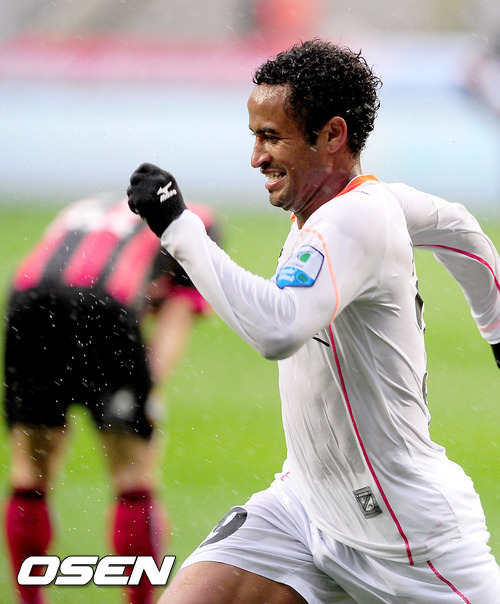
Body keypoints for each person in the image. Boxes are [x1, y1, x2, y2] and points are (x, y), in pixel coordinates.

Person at [127, 39, 500, 603]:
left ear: (332, 135)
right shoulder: (359, 204)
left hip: (403, 534)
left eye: (271, 137)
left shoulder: (355, 219)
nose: (256, 157)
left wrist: (179, 229)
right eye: (255, 136)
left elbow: (277, 329)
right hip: (304, 506)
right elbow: (459, 228)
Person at [2, 192, 220, 604]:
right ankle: (141, 599)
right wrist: (145, 392)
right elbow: (174, 321)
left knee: (30, 473)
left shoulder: (88, 206)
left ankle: (28, 598)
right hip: (104, 305)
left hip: (28, 302)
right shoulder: (196, 222)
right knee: (133, 477)